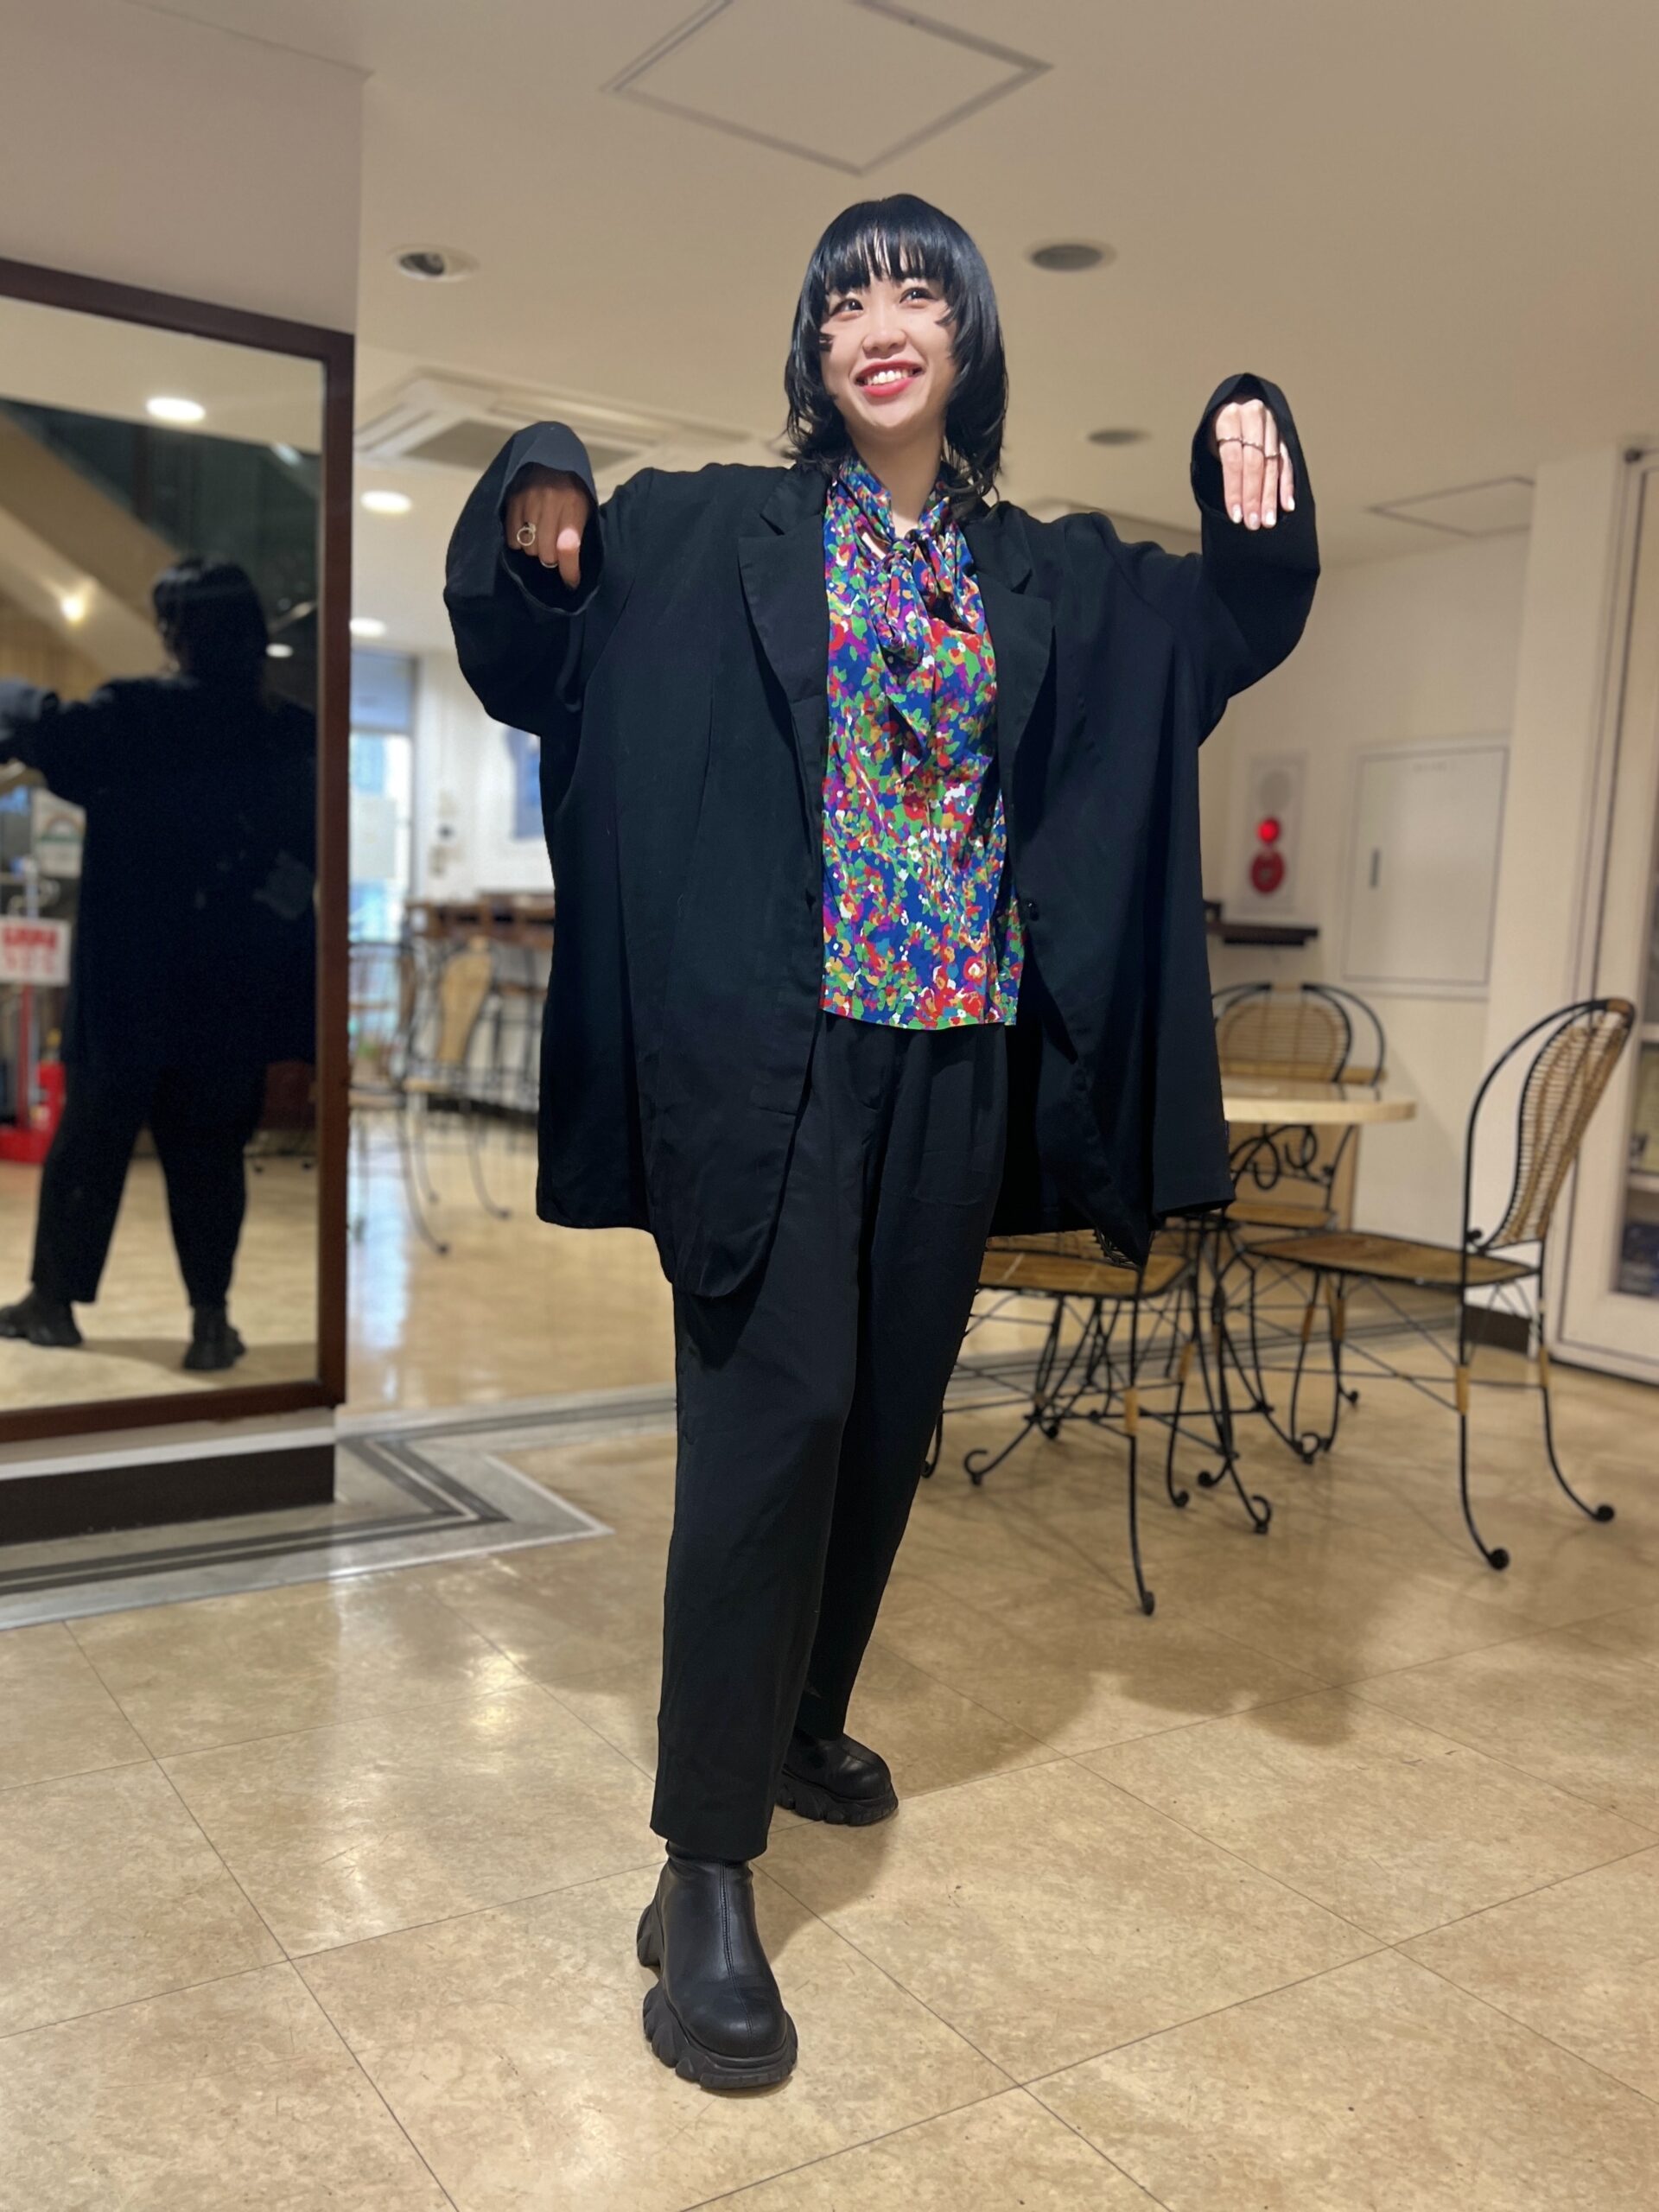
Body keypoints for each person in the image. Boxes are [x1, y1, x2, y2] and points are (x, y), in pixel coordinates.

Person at [446, 194, 1318, 2090]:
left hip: (956, 1058)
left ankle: (797, 1717)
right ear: (815, 351)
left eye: (919, 290)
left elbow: (1228, 626)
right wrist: (537, 477)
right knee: (773, 1427)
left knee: (883, 1419)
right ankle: (702, 1869)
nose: (884, 321)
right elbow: (535, 648)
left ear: (970, 338)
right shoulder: (711, 530)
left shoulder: (1043, 568)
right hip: (772, 1058)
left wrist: (1247, 445)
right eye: (847, 300)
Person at [0, 557, 316, 1371]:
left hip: (129, 981)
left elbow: (49, 733)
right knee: (211, 1154)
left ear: (176, 633)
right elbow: (307, 856)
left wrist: (11, 693)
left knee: (91, 1141)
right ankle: (211, 1320)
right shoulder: (289, 731)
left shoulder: (137, 713)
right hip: (231, 987)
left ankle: (53, 1303)